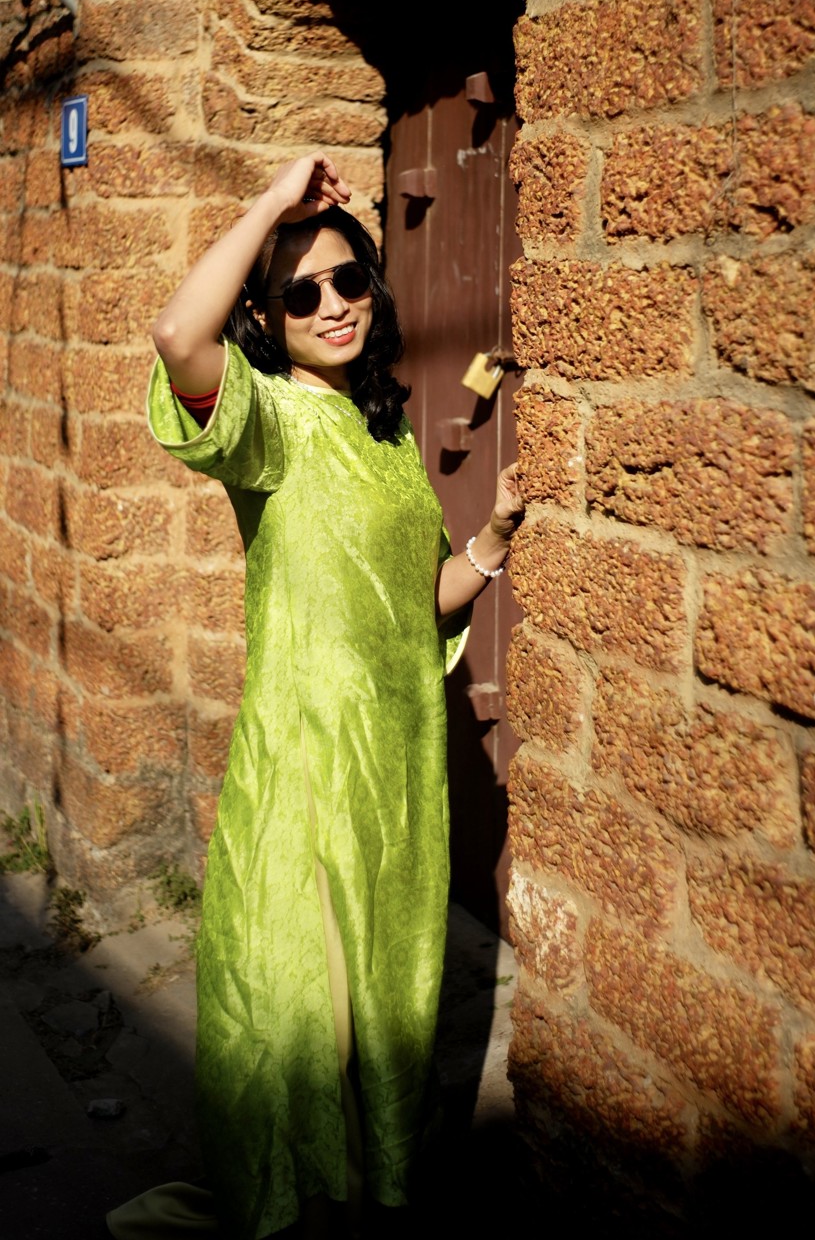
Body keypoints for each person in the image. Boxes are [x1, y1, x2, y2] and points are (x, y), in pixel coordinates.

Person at [108, 151, 524, 1240]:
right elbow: (173, 339)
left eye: (348, 282)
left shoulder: (385, 437)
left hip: (398, 768)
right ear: (268, 317)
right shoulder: (267, 428)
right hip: (306, 764)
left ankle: (362, 1192)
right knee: (301, 1010)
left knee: (386, 1005)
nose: (332, 305)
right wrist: (275, 202)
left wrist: (486, 543)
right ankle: (292, 1205)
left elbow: (419, 600)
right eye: (301, 293)